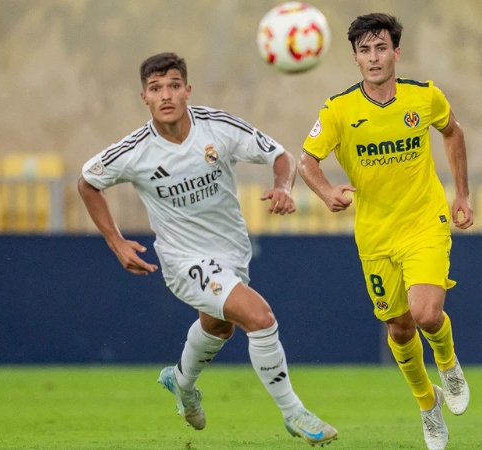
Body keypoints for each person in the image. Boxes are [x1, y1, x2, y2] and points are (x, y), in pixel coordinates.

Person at [77, 52, 337, 446]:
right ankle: (293, 412)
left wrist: (283, 187)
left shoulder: (218, 127)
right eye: (155, 88)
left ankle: (181, 382)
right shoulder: (135, 150)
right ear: (144, 97)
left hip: (231, 251)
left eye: (173, 86)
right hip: (183, 259)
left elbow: (279, 155)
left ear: (187, 91)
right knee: (260, 317)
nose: (165, 95)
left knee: (219, 326)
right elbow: (87, 181)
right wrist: (115, 242)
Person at [298, 13, 472, 450]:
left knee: (427, 313)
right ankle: (426, 403)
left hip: (424, 222)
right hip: (375, 235)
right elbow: (306, 161)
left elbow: (453, 132)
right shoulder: (338, 110)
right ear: (355, 58)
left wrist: (462, 195)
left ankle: (448, 365)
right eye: (364, 50)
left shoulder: (423, 96)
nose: (373, 58)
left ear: (396, 52)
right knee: (398, 327)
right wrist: (325, 193)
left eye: (381, 48)